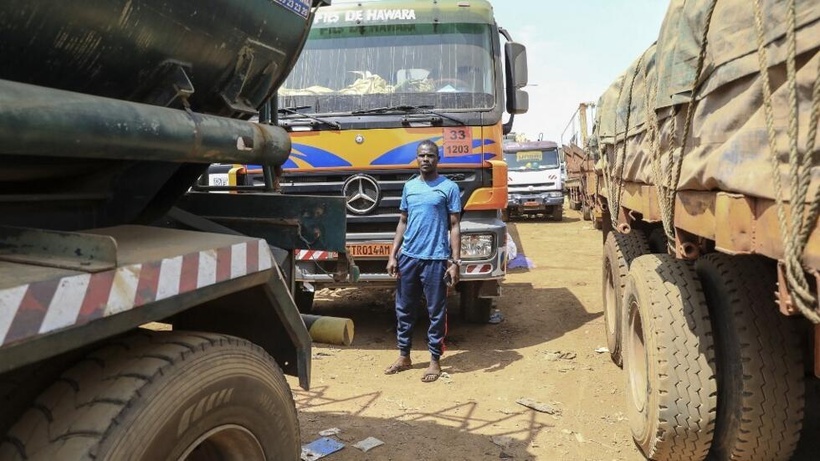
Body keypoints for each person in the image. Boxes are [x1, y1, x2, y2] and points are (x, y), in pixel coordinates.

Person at [383, 139, 461, 383]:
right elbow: (403, 221)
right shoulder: (409, 187)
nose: (426, 159)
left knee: (436, 311)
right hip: (408, 257)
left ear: (438, 159)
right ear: (416, 159)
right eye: (422, 155)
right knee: (404, 308)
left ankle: (434, 360)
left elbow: (455, 226)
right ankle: (404, 356)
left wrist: (455, 261)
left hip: (436, 258)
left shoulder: (449, 188)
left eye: (430, 155)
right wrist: (393, 254)